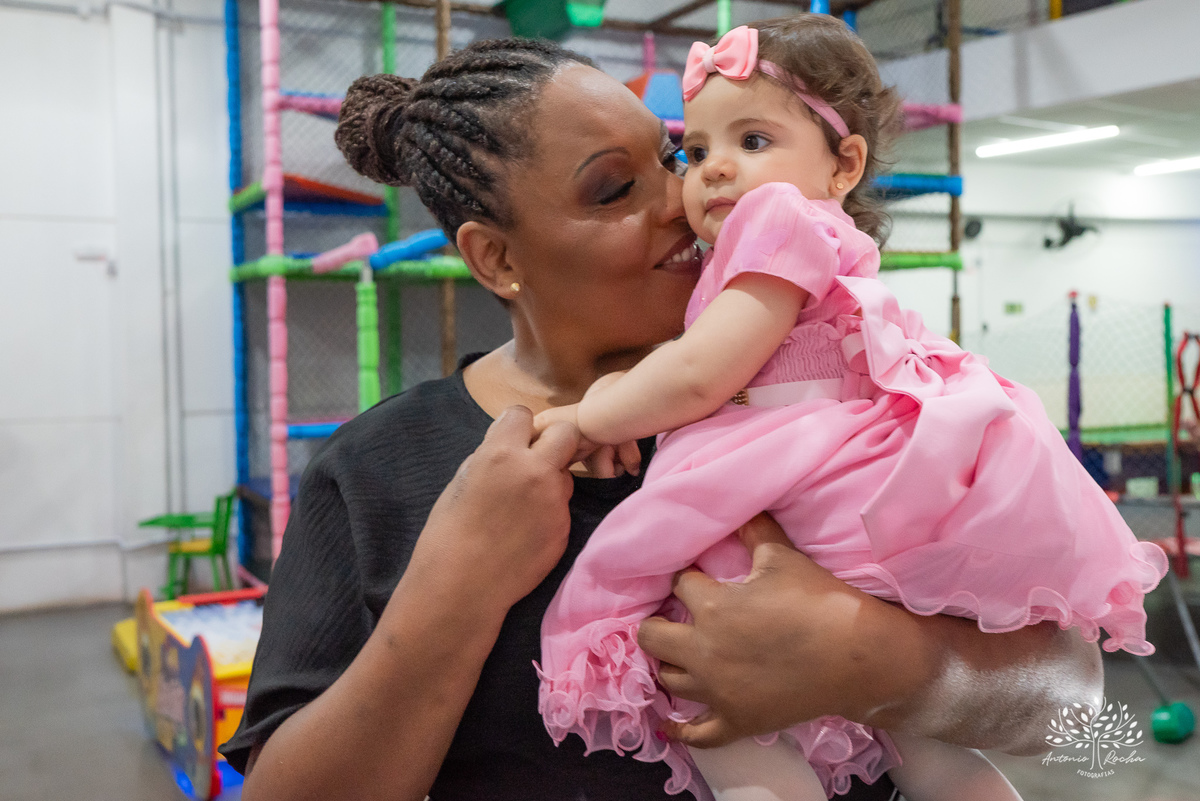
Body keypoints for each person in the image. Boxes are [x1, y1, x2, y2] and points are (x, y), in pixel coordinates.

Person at [220, 36, 1108, 801]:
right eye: (613, 190)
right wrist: (455, 584)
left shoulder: (865, 395)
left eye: (674, 158)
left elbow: (1085, 721)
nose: (686, 198)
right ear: (496, 260)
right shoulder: (380, 470)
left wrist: (880, 659)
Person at [533, 18, 1168, 801]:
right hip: (849, 478)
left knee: (696, 655)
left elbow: (702, 372)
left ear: (845, 166)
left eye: (753, 141)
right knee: (935, 757)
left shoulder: (777, 222)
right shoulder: (793, 238)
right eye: (694, 152)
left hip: (806, 467)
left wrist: (591, 416)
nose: (714, 170)